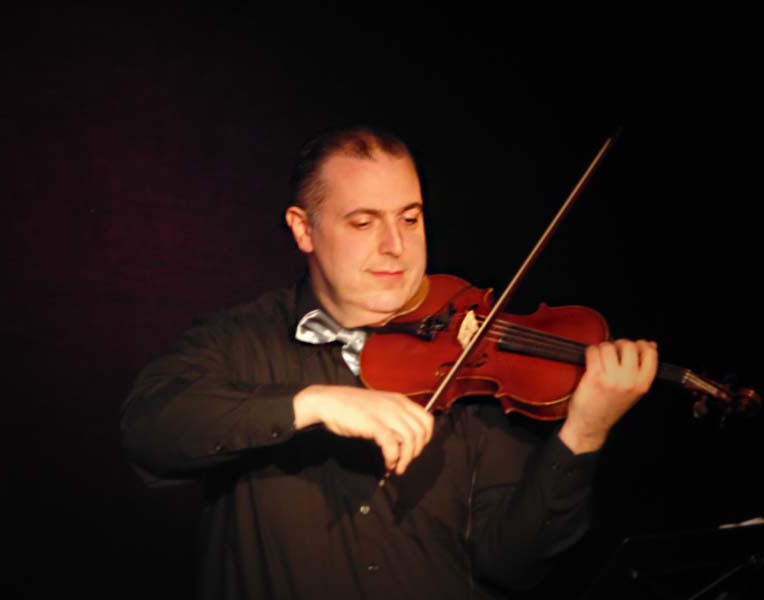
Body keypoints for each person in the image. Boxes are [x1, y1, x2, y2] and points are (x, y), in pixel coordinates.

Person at [120, 126, 658, 599]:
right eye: (363, 223)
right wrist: (311, 403)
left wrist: (584, 433)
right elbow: (150, 432)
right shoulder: (237, 340)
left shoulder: (472, 363)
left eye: (410, 217)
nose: (396, 245)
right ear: (303, 229)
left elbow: (513, 563)